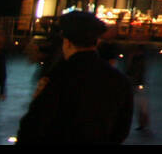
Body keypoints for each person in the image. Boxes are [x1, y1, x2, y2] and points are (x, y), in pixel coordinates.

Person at [16, 12, 133, 145]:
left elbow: (35, 123)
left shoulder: (58, 77)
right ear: (96, 41)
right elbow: (121, 129)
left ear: (67, 42)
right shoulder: (119, 80)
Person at [124, 42, 150, 132]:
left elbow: (134, 72)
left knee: (141, 104)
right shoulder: (138, 59)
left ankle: (143, 123)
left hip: (137, 83)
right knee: (141, 104)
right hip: (137, 83)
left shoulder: (137, 59)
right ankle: (143, 123)